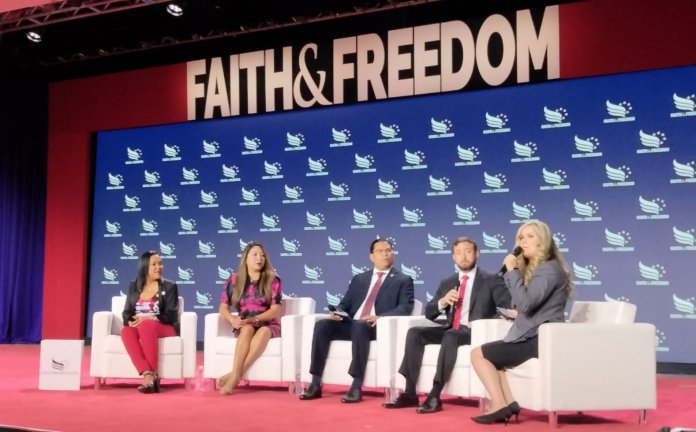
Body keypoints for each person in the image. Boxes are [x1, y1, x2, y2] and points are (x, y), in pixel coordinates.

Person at [384, 237, 510, 413]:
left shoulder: (491, 279)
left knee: (452, 335)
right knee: (415, 332)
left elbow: (507, 308)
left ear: (477, 254)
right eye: (458, 253)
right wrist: (443, 302)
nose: (463, 257)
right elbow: (429, 313)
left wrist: (482, 323)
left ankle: (435, 395)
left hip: (475, 332)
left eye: (468, 251)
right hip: (452, 328)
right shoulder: (448, 282)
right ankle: (410, 392)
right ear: (453, 257)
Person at [470, 220, 573, 425]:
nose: (523, 242)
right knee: (495, 360)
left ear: (543, 241)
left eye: (530, 237)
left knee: (478, 354)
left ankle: (499, 405)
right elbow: (522, 304)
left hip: (538, 338)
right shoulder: (537, 269)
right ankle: (507, 405)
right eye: (521, 237)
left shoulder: (548, 269)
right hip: (531, 333)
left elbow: (525, 305)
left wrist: (511, 271)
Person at [299, 238, 414, 403]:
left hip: (377, 326)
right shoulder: (360, 279)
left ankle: (356, 386)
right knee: (322, 325)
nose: (386, 254)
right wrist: (337, 312)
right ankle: (315, 383)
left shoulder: (403, 280)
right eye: (380, 251)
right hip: (352, 325)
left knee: (360, 325)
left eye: (388, 250)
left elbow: (405, 308)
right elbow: (345, 304)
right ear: (371, 256)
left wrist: (381, 317)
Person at [217, 242, 282, 395]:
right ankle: (236, 375)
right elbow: (223, 307)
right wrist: (233, 320)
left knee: (264, 331)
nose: (260, 258)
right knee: (246, 329)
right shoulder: (234, 280)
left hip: (268, 323)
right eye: (255, 255)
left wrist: (256, 319)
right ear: (245, 258)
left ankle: (234, 375)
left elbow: (275, 310)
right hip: (245, 323)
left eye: (263, 255)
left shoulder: (273, 279)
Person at [121, 250, 180, 393]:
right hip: (141, 326)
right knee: (126, 331)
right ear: (144, 266)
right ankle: (148, 374)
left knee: (146, 325)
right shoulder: (134, 286)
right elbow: (126, 312)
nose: (158, 267)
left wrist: (150, 318)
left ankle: (152, 375)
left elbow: (172, 315)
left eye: (160, 263)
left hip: (165, 327)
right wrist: (129, 321)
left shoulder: (169, 286)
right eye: (154, 264)